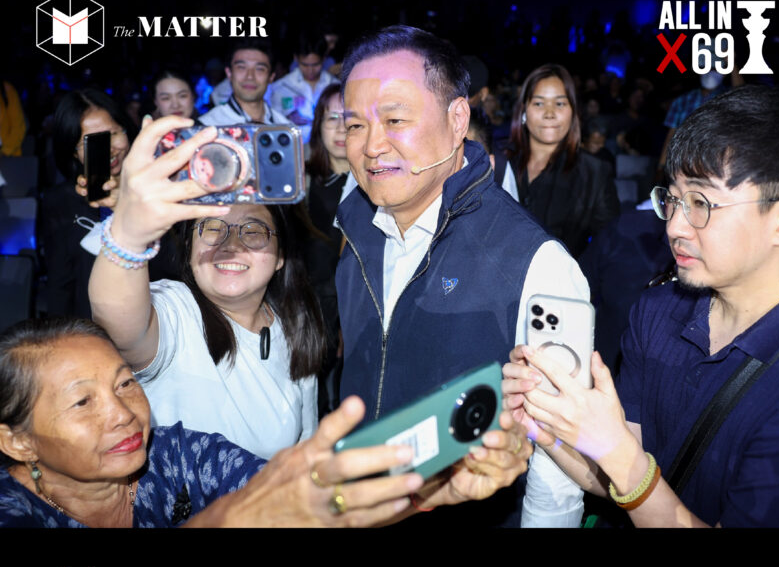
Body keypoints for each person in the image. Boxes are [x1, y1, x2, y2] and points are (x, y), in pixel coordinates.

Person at [505, 85, 779, 528]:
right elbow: (615, 475)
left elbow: (626, 462)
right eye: (673, 199)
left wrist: (621, 456)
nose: (674, 226)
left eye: (701, 203)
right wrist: (545, 423)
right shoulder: (657, 311)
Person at [336, 26, 588, 526]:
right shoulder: (356, 232)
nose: (372, 145)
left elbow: (557, 462)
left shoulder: (535, 261)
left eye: (395, 120)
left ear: (457, 120)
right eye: (355, 125)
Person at [0, 318, 531, 527]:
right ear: (17, 441)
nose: (122, 414)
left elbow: (313, 503)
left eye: (125, 384)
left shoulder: (178, 455)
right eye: (82, 403)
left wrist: (431, 487)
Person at [88, 116, 325, 460]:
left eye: (253, 231)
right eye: (212, 228)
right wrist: (130, 231)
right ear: (189, 248)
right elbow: (118, 321)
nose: (231, 244)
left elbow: (306, 452)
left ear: (280, 257)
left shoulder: (294, 327)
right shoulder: (175, 312)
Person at [507, 64, 619, 258]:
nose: (549, 113)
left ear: (573, 113)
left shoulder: (594, 173)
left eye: (559, 104)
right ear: (524, 111)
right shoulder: (500, 164)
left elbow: (609, 247)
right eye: (539, 103)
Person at [41, 89, 133, 318]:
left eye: (113, 134)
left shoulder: (153, 190)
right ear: (73, 152)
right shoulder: (60, 201)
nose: (108, 149)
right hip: (91, 324)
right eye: (92, 142)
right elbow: (60, 283)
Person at [304, 83, 350, 415]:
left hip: (350, 307)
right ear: (318, 125)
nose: (341, 128)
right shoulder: (300, 179)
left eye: (350, 118)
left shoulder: (378, 183)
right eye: (332, 117)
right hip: (306, 306)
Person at [199, 40, 289, 127]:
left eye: (259, 69)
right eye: (241, 67)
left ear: (271, 77)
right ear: (229, 73)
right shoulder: (208, 125)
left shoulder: (285, 127)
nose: (250, 76)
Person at [268, 35, 335, 144]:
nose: (310, 70)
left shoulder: (334, 85)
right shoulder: (282, 87)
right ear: (296, 58)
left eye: (316, 64)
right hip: (294, 146)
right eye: (305, 65)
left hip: (326, 146)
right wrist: (287, 119)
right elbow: (272, 123)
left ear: (324, 59)